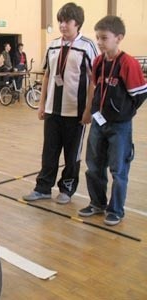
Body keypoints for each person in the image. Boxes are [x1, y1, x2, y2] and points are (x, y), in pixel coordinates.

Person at [22, 2, 98, 204]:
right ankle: (43, 187)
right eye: (60, 21)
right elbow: (47, 75)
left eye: (67, 21)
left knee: (72, 155)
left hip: (76, 112)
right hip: (52, 110)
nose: (63, 25)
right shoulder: (53, 44)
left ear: (78, 23)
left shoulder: (88, 46)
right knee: (49, 151)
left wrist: (88, 110)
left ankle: (67, 189)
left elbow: (94, 81)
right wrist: (41, 104)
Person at [78, 16, 147, 226]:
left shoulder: (129, 63)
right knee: (94, 165)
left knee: (118, 169)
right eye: (97, 37)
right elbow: (95, 88)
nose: (99, 42)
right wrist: (88, 111)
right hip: (99, 123)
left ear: (118, 38)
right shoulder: (98, 61)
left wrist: (124, 112)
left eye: (104, 38)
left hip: (120, 127)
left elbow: (140, 94)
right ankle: (97, 203)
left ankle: (116, 209)